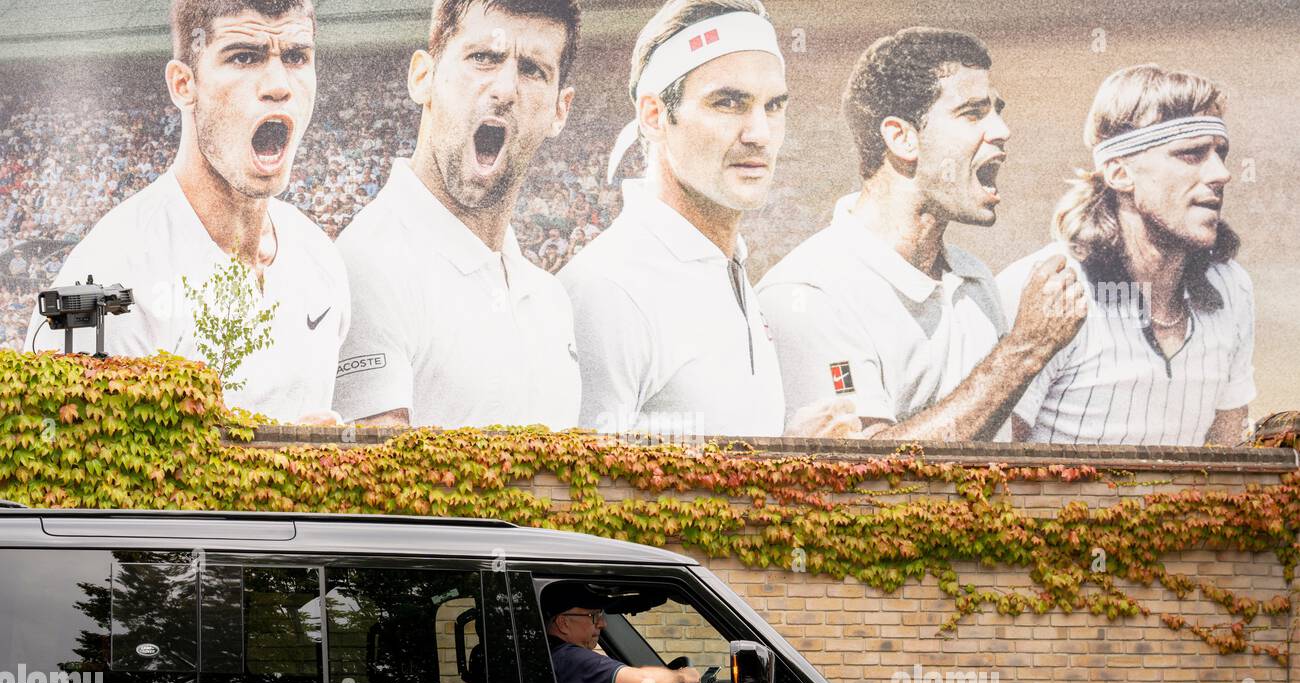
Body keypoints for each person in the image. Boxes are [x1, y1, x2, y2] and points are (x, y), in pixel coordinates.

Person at [24, 0, 349, 424]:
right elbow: (52, 453)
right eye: (243, 57)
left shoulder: (320, 258)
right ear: (183, 84)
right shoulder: (104, 276)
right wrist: (275, 459)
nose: (278, 85)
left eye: (296, 56)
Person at [758, 27, 1088, 441]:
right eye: (973, 113)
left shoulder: (975, 281)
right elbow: (867, 471)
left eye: (997, 111)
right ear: (902, 138)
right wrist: (1026, 349)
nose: (1002, 130)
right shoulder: (808, 296)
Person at [560, 0, 859, 439]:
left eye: (774, 105)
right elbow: (578, 479)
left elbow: (700, 451)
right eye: (728, 103)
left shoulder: (727, 268)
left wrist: (788, 452)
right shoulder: (605, 290)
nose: (760, 134)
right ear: (654, 116)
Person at [332, 0, 582, 429]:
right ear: (423, 77)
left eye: (532, 70)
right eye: (483, 58)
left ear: (560, 110)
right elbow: (375, 470)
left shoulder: (551, 300)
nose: (505, 89)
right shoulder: (368, 265)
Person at [998, 65, 1254, 446]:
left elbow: (1230, 463)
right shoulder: (1042, 288)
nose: (1221, 174)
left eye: (1221, 153)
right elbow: (987, 464)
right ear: (1119, 173)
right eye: (1191, 154)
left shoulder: (1233, 288)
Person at [541, 582, 701, 683]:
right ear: (563, 623)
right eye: (593, 616)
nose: (602, 624)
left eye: (601, 615)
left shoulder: (552, 655)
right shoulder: (570, 658)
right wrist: (681, 676)